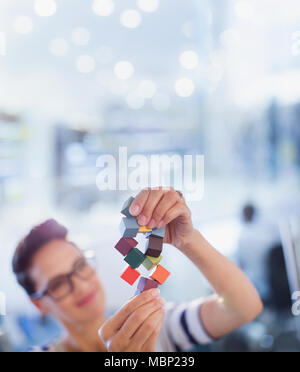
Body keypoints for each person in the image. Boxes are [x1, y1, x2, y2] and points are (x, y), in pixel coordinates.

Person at [13, 187, 263, 352]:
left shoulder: (150, 322)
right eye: (57, 284)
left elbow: (244, 307)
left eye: (80, 265)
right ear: (39, 304)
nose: (80, 284)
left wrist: (187, 240)